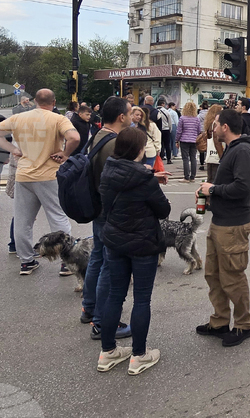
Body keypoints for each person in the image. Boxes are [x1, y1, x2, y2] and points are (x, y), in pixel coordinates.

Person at [95, 126, 171, 375]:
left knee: (115, 295)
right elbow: (163, 210)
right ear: (139, 150)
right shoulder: (144, 178)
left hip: (114, 240)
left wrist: (147, 175)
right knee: (142, 299)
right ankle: (139, 354)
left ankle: (108, 352)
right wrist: (150, 179)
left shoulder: (109, 169)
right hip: (143, 243)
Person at [0, 89, 80, 275]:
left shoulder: (19, 118)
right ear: (54, 102)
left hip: (24, 175)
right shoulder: (58, 119)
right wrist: (65, 153)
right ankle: (66, 262)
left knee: (23, 220)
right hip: (49, 175)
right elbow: (74, 137)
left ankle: (27, 262)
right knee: (57, 216)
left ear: (35, 101)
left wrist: (13, 149)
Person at [195, 108, 250, 347]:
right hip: (220, 222)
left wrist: (212, 190)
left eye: (216, 124)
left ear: (225, 127)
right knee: (213, 275)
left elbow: (244, 189)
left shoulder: (243, 149)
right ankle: (220, 321)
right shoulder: (234, 148)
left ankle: (244, 324)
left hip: (233, 225)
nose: (212, 128)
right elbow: (230, 183)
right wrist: (210, 188)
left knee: (233, 278)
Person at [81, 97, 134, 339]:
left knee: (97, 258)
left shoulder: (98, 135)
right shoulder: (114, 144)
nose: (133, 116)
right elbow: (121, 179)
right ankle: (101, 322)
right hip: (110, 210)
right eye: (131, 112)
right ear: (121, 117)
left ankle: (89, 309)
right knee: (109, 266)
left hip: (97, 207)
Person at [177, 102, 201, 182]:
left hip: (184, 140)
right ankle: (193, 177)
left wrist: (177, 140)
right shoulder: (197, 119)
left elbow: (179, 131)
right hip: (194, 140)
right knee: (193, 158)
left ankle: (186, 177)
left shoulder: (182, 118)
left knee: (185, 159)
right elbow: (199, 130)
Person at [203, 104, 224, 183]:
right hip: (216, 154)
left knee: (210, 177)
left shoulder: (209, 124)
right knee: (215, 179)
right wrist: (222, 156)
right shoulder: (215, 124)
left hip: (210, 153)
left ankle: (208, 193)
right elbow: (216, 141)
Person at [156, 99, 174, 165]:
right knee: (167, 145)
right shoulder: (166, 112)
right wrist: (170, 129)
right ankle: (169, 159)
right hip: (166, 129)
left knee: (160, 144)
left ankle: (161, 157)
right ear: (163, 104)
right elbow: (170, 122)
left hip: (158, 130)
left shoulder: (155, 111)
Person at [196, 102, 208, 168]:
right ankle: (208, 160)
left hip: (201, 132)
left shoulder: (199, 115)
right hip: (208, 132)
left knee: (201, 148)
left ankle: (202, 163)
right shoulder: (210, 114)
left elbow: (197, 124)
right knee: (208, 147)